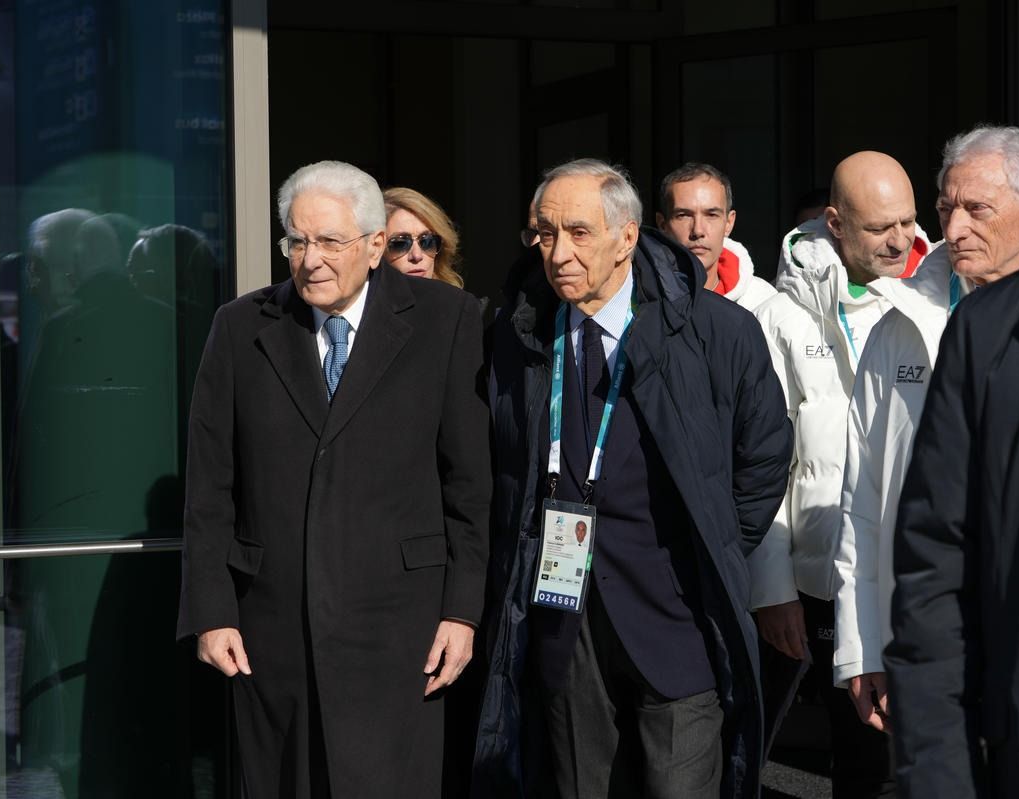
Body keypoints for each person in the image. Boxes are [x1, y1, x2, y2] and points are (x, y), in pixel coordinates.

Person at [473, 158, 791, 798]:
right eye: (545, 233)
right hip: (563, 626)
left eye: (578, 233)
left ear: (626, 238)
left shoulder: (714, 331)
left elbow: (762, 458)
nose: (558, 253)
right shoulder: (518, 334)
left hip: (677, 620)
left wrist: (712, 549)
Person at [176, 160, 490, 797]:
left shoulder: (446, 320)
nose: (311, 260)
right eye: (297, 242)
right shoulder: (241, 327)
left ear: (375, 247)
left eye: (329, 241)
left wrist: (463, 612)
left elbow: (469, 486)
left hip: (402, 629)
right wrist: (212, 612)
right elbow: (209, 488)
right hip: (272, 630)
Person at [833, 126, 1019, 738]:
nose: (953, 229)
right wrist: (863, 647)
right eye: (945, 209)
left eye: (976, 209)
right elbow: (861, 502)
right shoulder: (897, 326)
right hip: (931, 636)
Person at [751, 151, 932, 796]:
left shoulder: (936, 298)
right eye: (880, 227)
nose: (900, 240)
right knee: (858, 757)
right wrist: (772, 586)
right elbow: (762, 458)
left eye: (908, 221)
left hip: (921, 569)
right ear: (835, 223)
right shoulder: (781, 314)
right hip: (823, 573)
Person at [655, 162, 776, 310]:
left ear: (729, 223)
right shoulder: (637, 297)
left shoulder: (763, 303)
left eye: (711, 215)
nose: (698, 230)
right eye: (684, 215)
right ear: (662, 225)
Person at [383, 186, 464, 287]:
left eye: (427, 242)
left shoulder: (456, 297)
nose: (417, 256)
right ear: (375, 249)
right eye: (400, 244)